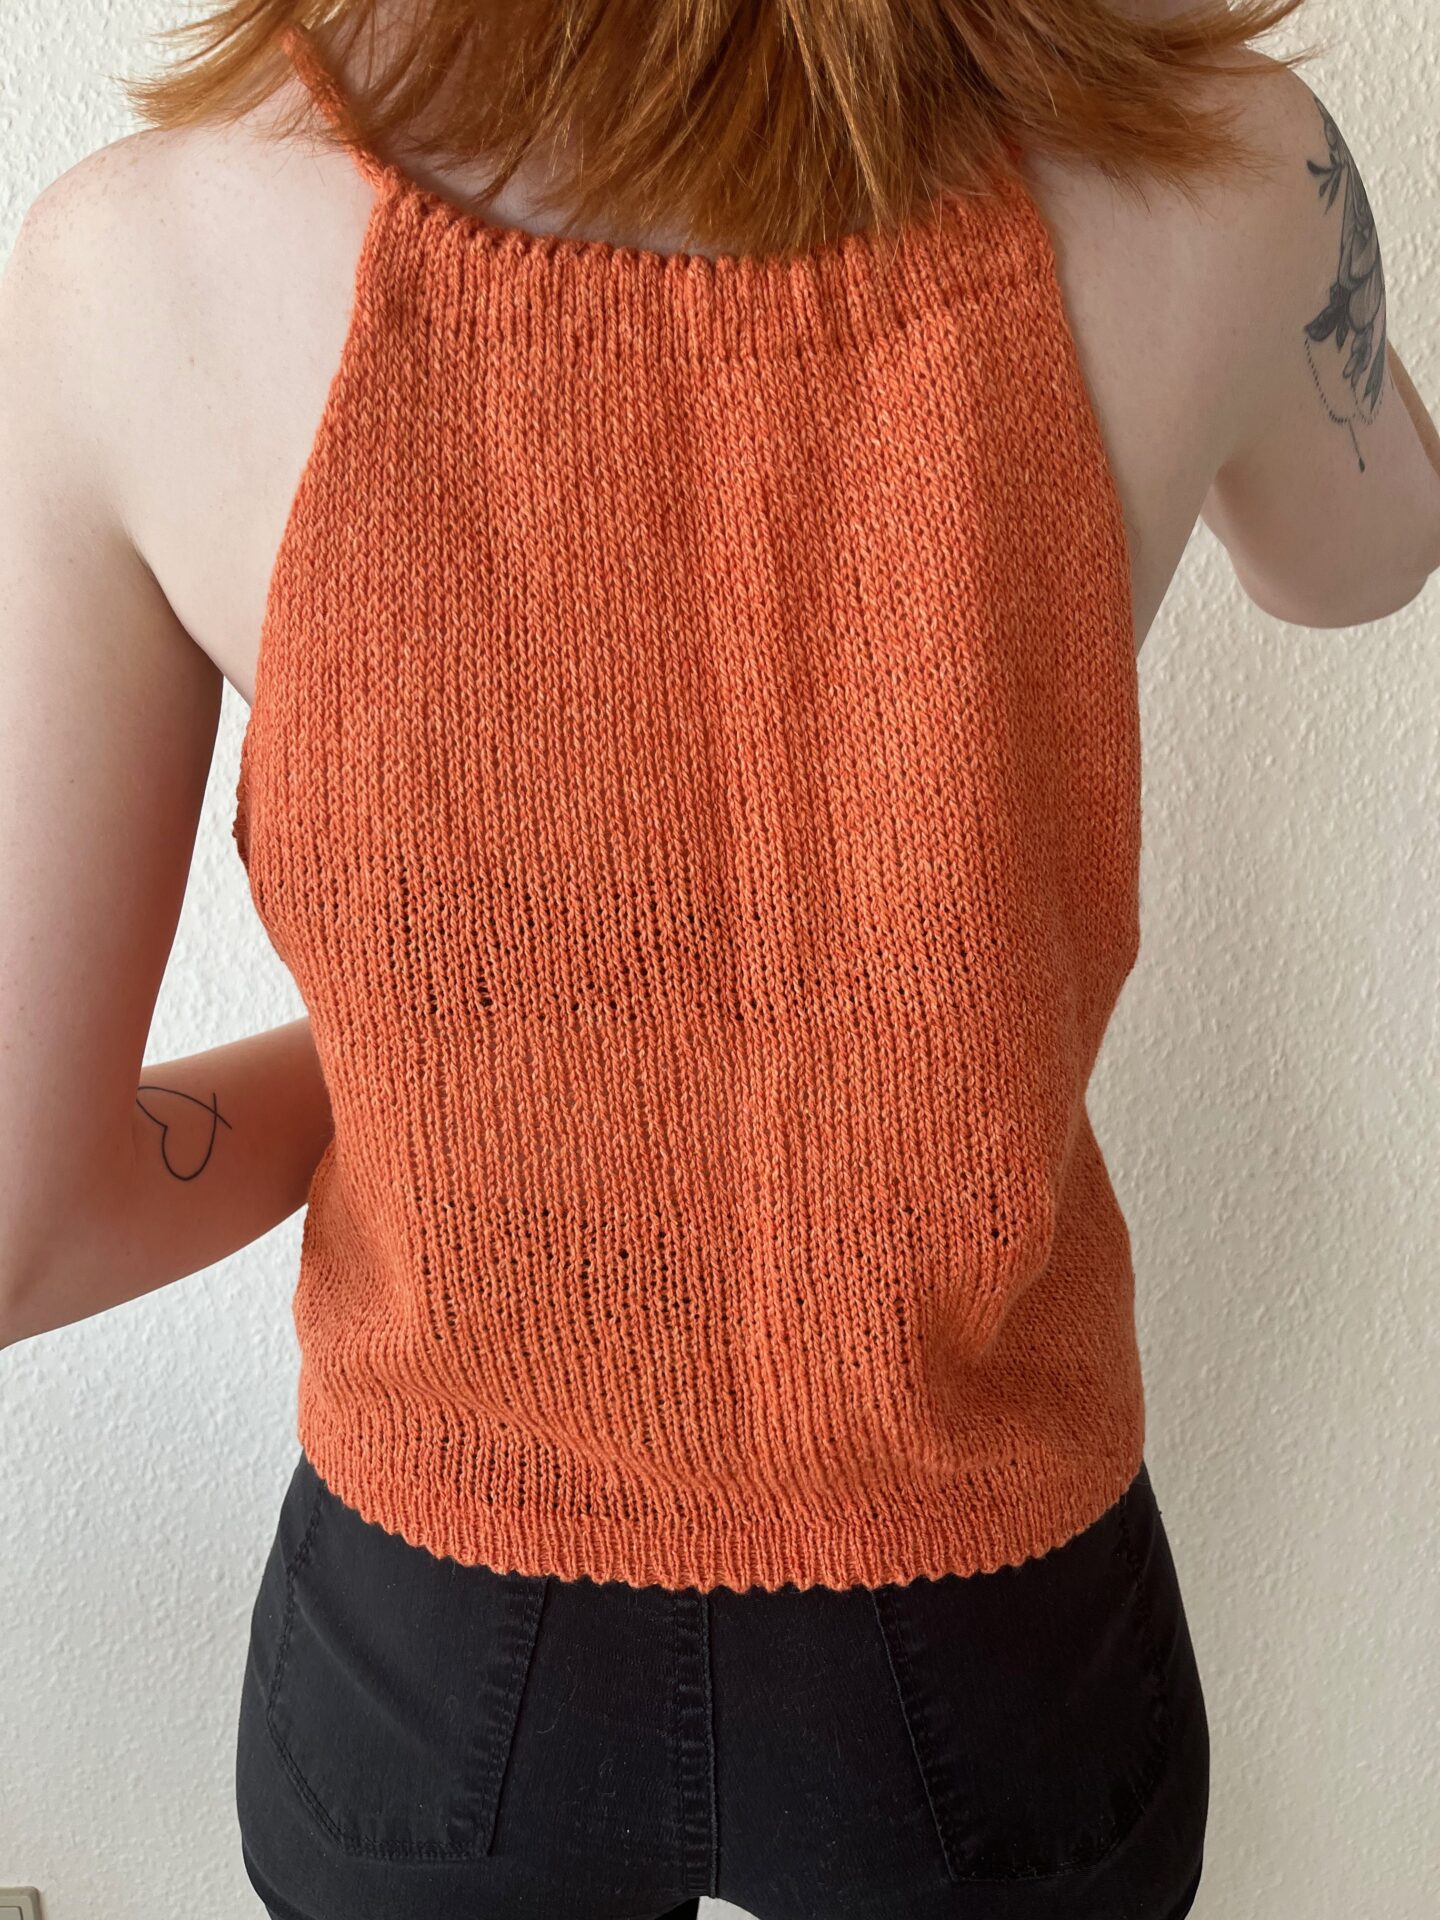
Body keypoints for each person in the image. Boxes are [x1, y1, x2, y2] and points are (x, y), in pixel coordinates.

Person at [3, 4, 1438, 1918]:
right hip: (991, 1650)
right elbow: (1361, 561)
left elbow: (26, 1229)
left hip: (440, 1663)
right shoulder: (1239, 170)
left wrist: (430, 1061)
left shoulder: (131, 266)